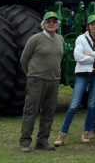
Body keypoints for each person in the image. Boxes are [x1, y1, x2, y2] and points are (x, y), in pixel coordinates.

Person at [55, 14, 95, 146]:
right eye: (92, 23)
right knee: (74, 104)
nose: (94, 26)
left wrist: (92, 54)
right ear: (88, 25)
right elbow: (78, 57)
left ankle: (86, 132)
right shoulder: (81, 38)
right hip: (83, 75)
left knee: (92, 105)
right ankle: (62, 134)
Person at [19, 11, 64, 153]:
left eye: (54, 21)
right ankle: (25, 142)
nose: (51, 23)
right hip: (37, 81)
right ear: (43, 24)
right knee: (31, 111)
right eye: (48, 21)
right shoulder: (35, 39)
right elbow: (24, 59)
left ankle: (42, 141)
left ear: (57, 24)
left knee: (49, 113)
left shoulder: (60, 39)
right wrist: (32, 75)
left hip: (54, 81)